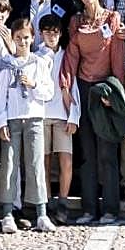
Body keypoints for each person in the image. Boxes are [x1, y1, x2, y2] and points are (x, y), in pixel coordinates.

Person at [60, 0, 124, 224]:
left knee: (107, 151)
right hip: (84, 89)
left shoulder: (112, 18)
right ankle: (89, 208)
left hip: (105, 89)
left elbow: (117, 56)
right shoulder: (76, 21)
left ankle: (110, 208)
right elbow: (72, 56)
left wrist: (115, 93)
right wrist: (67, 86)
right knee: (86, 152)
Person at [0, 18, 56, 233]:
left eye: (26, 38)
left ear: (32, 38)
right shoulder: (7, 65)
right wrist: (1, 122)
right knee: (9, 164)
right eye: (18, 38)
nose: (22, 42)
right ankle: (8, 212)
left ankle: (41, 213)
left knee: (36, 164)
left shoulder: (38, 63)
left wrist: (34, 84)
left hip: (34, 118)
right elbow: (0, 97)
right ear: (12, 38)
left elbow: (48, 92)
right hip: (13, 118)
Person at [36, 13, 78, 225]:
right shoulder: (36, 56)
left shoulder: (67, 55)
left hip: (62, 113)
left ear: (60, 34)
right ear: (41, 34)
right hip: (41, 114)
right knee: (44, 160)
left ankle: (63, 202)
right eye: (47, 32)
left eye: (55, 32)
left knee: (66, 160)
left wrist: (74, 115)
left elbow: (73, 86)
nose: (51, 36)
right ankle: (47, 201)